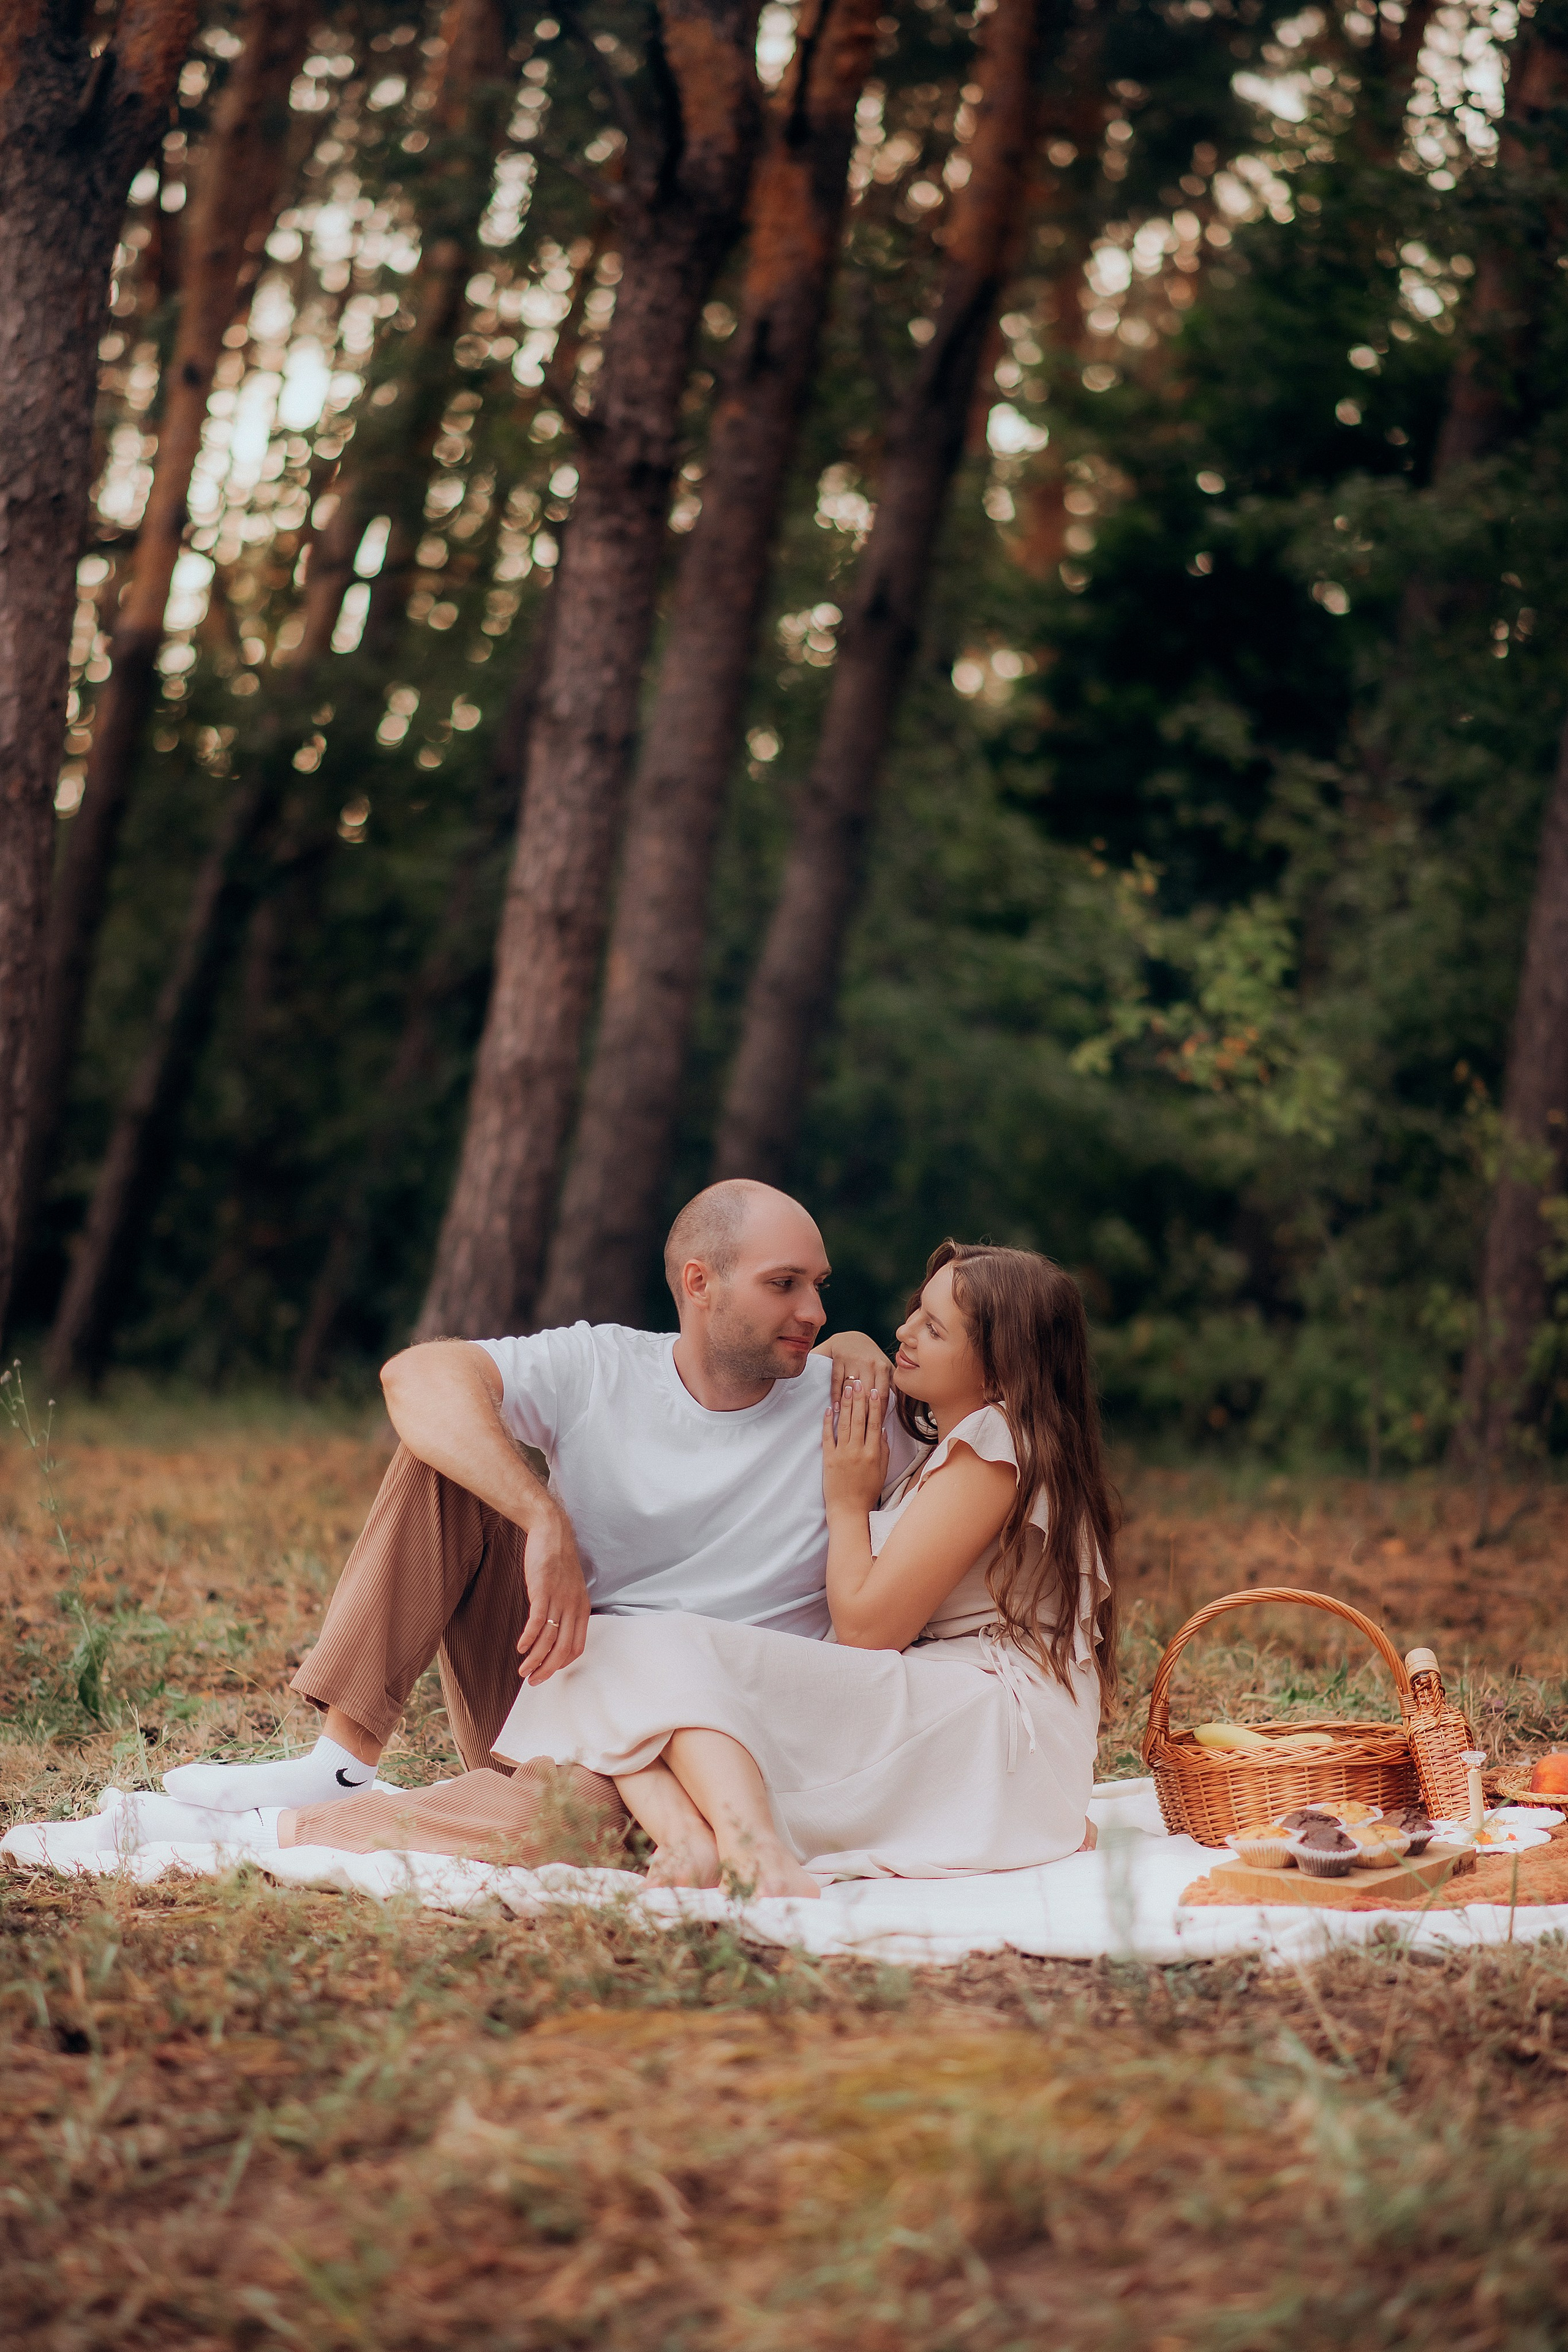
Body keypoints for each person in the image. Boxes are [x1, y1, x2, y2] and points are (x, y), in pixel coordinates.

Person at [55, 1181, 914, 1870]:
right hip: (553, 1678)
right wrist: (539, 1515)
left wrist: (873, 1346)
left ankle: (248, 1837)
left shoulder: (852, 1406)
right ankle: (342, 1763)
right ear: (699, 1281)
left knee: (570, 1828)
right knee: (452, 1451)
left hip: (695, 1750)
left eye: (819, 1287)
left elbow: (993, 1435)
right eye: (784, 1284)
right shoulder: (604, 1366)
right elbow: (418, 1376)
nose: (813, 1312)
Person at [481, 1240, 1120, 1896]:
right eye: (914, 1313)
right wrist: (842, 1342)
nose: (904, 1333)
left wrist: (848, 1502)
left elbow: (870, 1632)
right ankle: (689, 1841)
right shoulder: (958, 1445)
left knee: (641, 1647)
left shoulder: (994, 1445)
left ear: (999, 1368)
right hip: (948, 1696)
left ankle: (754, 1850)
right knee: (600, 1647)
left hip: (996, 1725)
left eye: (934, 1328)